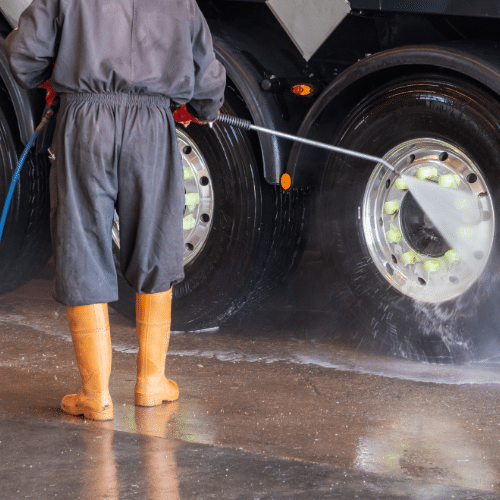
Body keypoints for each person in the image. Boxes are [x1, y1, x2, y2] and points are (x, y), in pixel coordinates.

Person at [6, 0, 226, 420]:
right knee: (155, 242)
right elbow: (207, 76)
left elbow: (23, 55)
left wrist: (53, 77)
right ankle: (150, 381)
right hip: (152, 125)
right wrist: (205, 110)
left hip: (85, 119)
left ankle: (96, 395)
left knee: (82, 240)